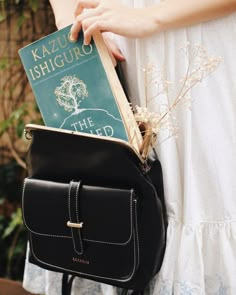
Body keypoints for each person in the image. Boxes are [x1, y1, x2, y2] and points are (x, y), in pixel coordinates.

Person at [23, 0, 236, 294]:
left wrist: (149, 18)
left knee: (203, 191)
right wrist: (71, 21)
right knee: (116, 208)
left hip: (197, 48)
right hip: (113, 45)